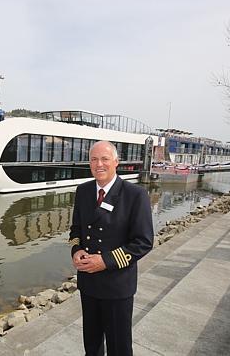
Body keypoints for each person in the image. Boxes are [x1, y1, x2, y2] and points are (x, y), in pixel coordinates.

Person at [69, 140, 154, 356]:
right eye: (94, 159)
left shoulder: (135, 195)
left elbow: (143, 242)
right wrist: (76, 250)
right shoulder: (84, 191)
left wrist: (105, 261)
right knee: (92, 344)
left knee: (119, 347)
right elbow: (76, 229)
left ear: (116, 162)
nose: (99, 164)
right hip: (88, 283)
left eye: (105, 159)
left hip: (117, 286)